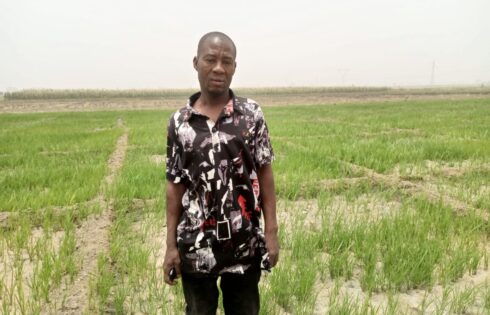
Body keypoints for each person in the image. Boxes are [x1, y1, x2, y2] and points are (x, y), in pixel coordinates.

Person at [163, 31, 279, 315]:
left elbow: (265, 174)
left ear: (234, 68)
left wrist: (272, 232)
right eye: (210, 60)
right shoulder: (180, 123)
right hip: (196, 244)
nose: (218, 68)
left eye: (226, 61)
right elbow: (174, 187)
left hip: (244, 242)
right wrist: (170, 247)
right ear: (196, 63)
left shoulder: (251, 115)